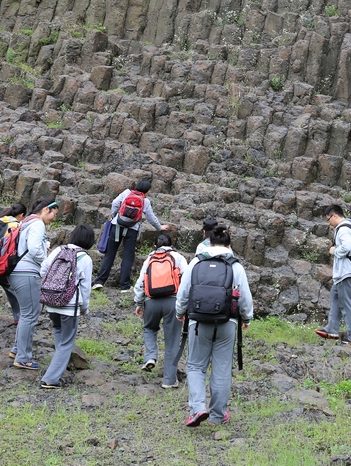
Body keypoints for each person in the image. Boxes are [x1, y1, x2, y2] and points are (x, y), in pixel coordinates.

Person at [175, 225, 253, 427]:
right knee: (222, 369)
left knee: (195, 365)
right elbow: (244, 298)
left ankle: (198, 408)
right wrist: (246, 319)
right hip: (227, 323)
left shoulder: (196, 262)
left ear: (209, 243)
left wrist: (180, 312)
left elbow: (184, 292)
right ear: (229, 245)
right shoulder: (235, 266)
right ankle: (218, 415)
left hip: (198, 322)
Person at [39, 224, 94, 389]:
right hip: (69, 305)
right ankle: (50, 378)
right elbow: (85, 287)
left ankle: (60, 366)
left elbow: (43, 270)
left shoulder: (58, 250)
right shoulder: (85, 258)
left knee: (58, 332)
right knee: (67, 341)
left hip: (51, 301)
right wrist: (84, 307)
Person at [92, 180, 170, 292]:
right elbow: (151, 217)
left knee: (110, 254)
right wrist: (159, 227)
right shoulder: (145, 201)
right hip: (132, 230)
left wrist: (114, 215)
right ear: (146, 191)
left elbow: (114, 203)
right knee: (127, 257)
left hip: (117, 225)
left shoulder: (126, 193)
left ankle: (99, 282)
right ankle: (125, 286)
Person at [8, 199, 58, 370]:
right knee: (31, 314)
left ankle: (17, 350)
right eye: (54, 214)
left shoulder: (25, 222)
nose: (54, 218)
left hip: (16, 272)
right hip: (27, 273)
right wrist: (47, 262)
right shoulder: (37, 224)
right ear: (46, 210)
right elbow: (35, 249)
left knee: (25, 313)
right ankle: (23, 357)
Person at [133, 233, 188, 388]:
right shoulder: (178, 258)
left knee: (149, 328)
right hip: (173, 302)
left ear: (154, 246)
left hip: (151, 302)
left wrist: (139, 303)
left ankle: (150, 356)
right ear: (171, 244)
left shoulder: (149, 259)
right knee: (172, 341)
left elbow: (140, 283)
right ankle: (169, 381)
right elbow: (188, 279)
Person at [314, 204, 351, 346]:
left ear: (334, 215)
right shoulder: (349, 227)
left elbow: (347, 247)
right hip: (347, 272)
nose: (329, 223)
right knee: (335, 295)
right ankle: (332, 329)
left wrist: (334, 251)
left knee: (348, 304)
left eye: (329, 219)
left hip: (347, 273)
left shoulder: (343, 229)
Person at [0, 203, 27, 324]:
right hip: (0, 263)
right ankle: (20, 317)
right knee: (12, 288)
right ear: (21, 215)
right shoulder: (15, 225)